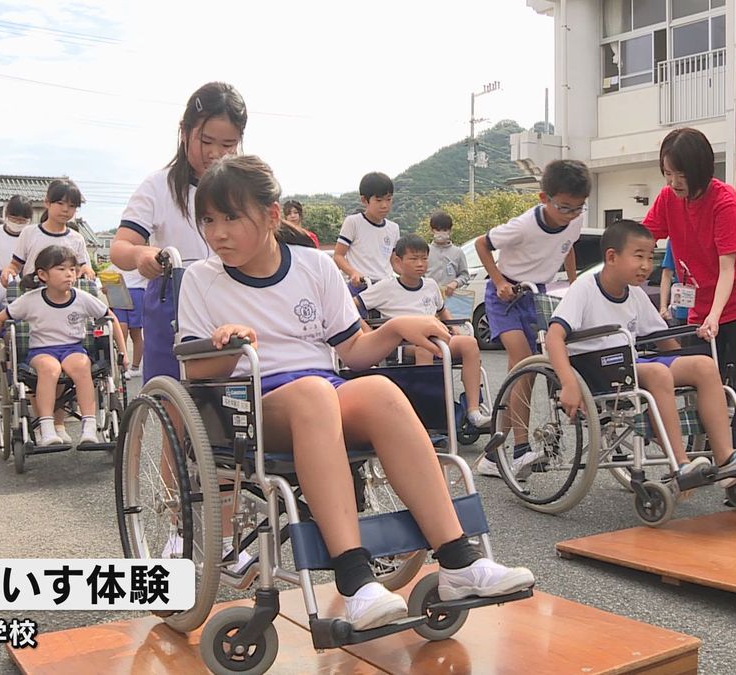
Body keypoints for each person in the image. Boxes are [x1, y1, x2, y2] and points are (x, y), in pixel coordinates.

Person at [177, 154, 533, 631]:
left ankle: (458, 559)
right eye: (208, 220)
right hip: (250, 400)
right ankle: (354, 578)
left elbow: (354, 351)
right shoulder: (201, 278)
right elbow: (197, 371)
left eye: (231, 218)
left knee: (381, 389)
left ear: (271, 216)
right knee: (313, 394)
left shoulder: (314, 268)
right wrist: (230, 343)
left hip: (324, 390)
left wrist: (398, 328)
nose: (217, 232)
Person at [546, 220, 736, 488]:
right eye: (639, 256)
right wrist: (568, 383)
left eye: (650, 257)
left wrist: (684, 364)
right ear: (611, 257)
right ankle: (681, 465)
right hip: (593, 369)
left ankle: (725, 458)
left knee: (703, 366)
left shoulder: (635, 294)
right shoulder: (584, 288)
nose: (647, 265)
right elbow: (554, 336)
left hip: (626, 365)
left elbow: (661, 338)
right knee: (657, 372)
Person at [110, 82, 247, 380]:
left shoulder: (245, 189)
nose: (215, 154)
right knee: (176, 388)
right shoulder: (158, 186)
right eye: (206, 140)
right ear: (184, 132)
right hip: (175, 299)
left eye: (228, 145)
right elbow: (120, 247)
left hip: (239, 293)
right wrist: (140, 253)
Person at [642, 128, 736, 449]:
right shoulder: (668, 199)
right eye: (668, 173)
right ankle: (706, 448)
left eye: (680, 174)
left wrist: (715, 316)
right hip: (701, 304)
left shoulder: (725, 201)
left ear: (701, 170)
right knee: (696, 377)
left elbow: (729, 267)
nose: (673, 182)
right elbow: (644, 237)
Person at [472, 159, 590, 478]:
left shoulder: (575, 220)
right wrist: (499, 282)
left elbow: (568, 247)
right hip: (505, 297)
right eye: (564, 207)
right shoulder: (524, 224)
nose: (571, 215)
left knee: (524, 375)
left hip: (537, 295)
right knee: (524, 365)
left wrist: (572, 283)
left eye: (578, 208)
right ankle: (522, 451)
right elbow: (482, 245)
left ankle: (494, 457)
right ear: (544, 198)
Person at [0, 245, 124, 447]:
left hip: (73, 348)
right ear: (43, 274)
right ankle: (47, 428)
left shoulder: (82, 298)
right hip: (42, 350)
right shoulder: (31, 300)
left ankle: (89, 426)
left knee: (83, 365)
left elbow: (111, 319)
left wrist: (123, 352)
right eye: (61, 269)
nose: (69, 274)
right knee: (50, 369)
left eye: (72, 269)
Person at [356, 234, 491, 429]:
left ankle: (473, 411)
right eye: (413, 259)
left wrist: (454, 328)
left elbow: (442, 310)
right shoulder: (386, 287)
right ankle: (427, 417)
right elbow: (351, 305)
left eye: (424, 258)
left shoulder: (430, 285)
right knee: (424, 349)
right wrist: (367, 330)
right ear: (398, 261)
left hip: (436, 339)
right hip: (403, 344)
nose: (420, 263)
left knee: (469, 343)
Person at [2, 180, 94, 285]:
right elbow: (15, 265)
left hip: (65, 296)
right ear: (47, 202)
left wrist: (86, 269)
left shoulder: (77, 239)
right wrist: (9, 271)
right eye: (60, 203)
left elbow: (82, 267)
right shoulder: (29, 233)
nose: (65, 209)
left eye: (72, 206)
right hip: (33, 293)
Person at [333, 172, 399, 297]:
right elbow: (338, 255)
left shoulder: (393, 228)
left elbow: (394, 262)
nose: (384, 205)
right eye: (378, 200)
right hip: (361, 286)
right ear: (364, 200)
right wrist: (353, 273)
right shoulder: (353, 222)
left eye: (389, 199)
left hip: (386, 287)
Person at [425, 210, 470, 298]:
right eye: (438, 230)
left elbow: (464, 275)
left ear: (450, 231)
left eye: (444, 230)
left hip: (450, 297)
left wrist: (455, 283)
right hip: (428, 296)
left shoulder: (458, 252)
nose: (441, 233)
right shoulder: (425, 250)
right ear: (432, 230)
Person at [114, 266, 147, 379]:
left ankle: (135, 367)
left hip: (138, 291)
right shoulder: (119, 255)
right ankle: (124, 367)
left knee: (135, 332)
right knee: (121, 330)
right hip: (118, 290)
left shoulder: (143, 253)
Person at [658, 239, 690, 327]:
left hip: (708, 306)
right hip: (682, 306)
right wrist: (663, 306)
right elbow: (666, 275)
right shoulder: (674, 240)